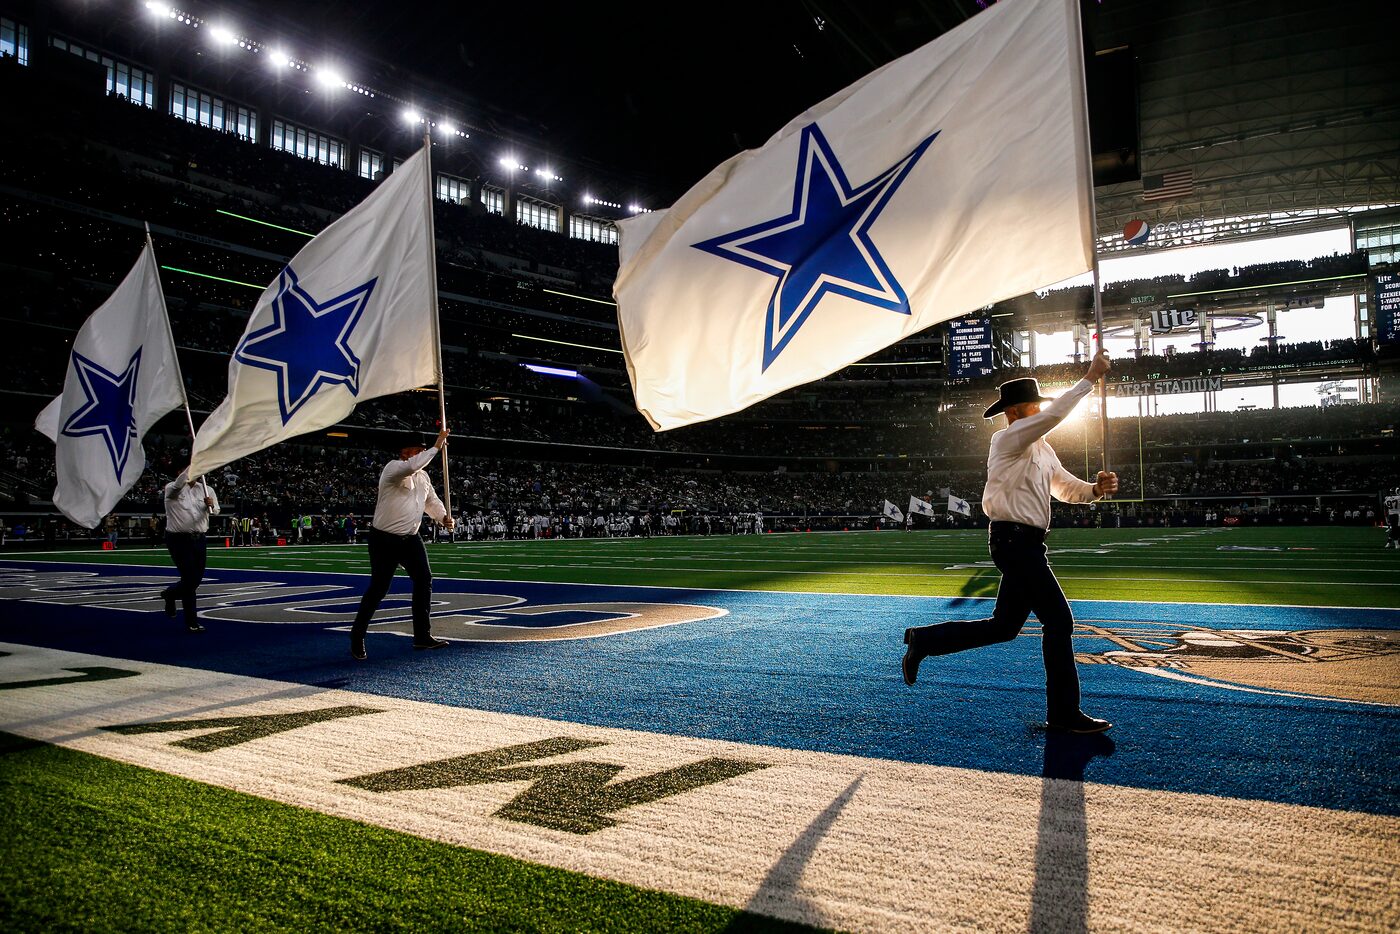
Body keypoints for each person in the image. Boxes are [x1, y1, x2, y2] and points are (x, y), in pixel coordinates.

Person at [900, 351, 1119, 734]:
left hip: (1029, 544)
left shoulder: (1044, 450)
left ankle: (924, 640)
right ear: (1017, 412)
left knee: (1004, 627)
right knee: (1059, 621)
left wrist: (1096, 490)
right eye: (1033, 406)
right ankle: (1064, 713)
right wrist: (1088, 379)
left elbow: (1067, 488)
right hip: (1013, 542)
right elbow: (1054, 417)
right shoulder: (1007, 439)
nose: (1039, 412)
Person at [349, 429, 454, 660]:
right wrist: (436, 446)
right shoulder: (393, 468)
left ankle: (422, 636)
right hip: (384, 538)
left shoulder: (423, 478)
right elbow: (411, 467)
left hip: (410, 538)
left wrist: (443, 516)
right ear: (406, 452)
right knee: (379, 588)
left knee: (424, 580)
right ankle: (357, 633)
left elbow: (431, 501)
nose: (421, 455)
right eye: (418, 451)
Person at [160, 470, 220, 633]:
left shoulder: (207, 489)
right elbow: (178, 484)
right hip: (178, 539)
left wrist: (211, 505)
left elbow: (215, 512)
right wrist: (192, 466)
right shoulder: (172, 488)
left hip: (199, 538)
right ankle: (191, 621)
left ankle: (170, 594)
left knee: (196, 579)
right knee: (189, 579)